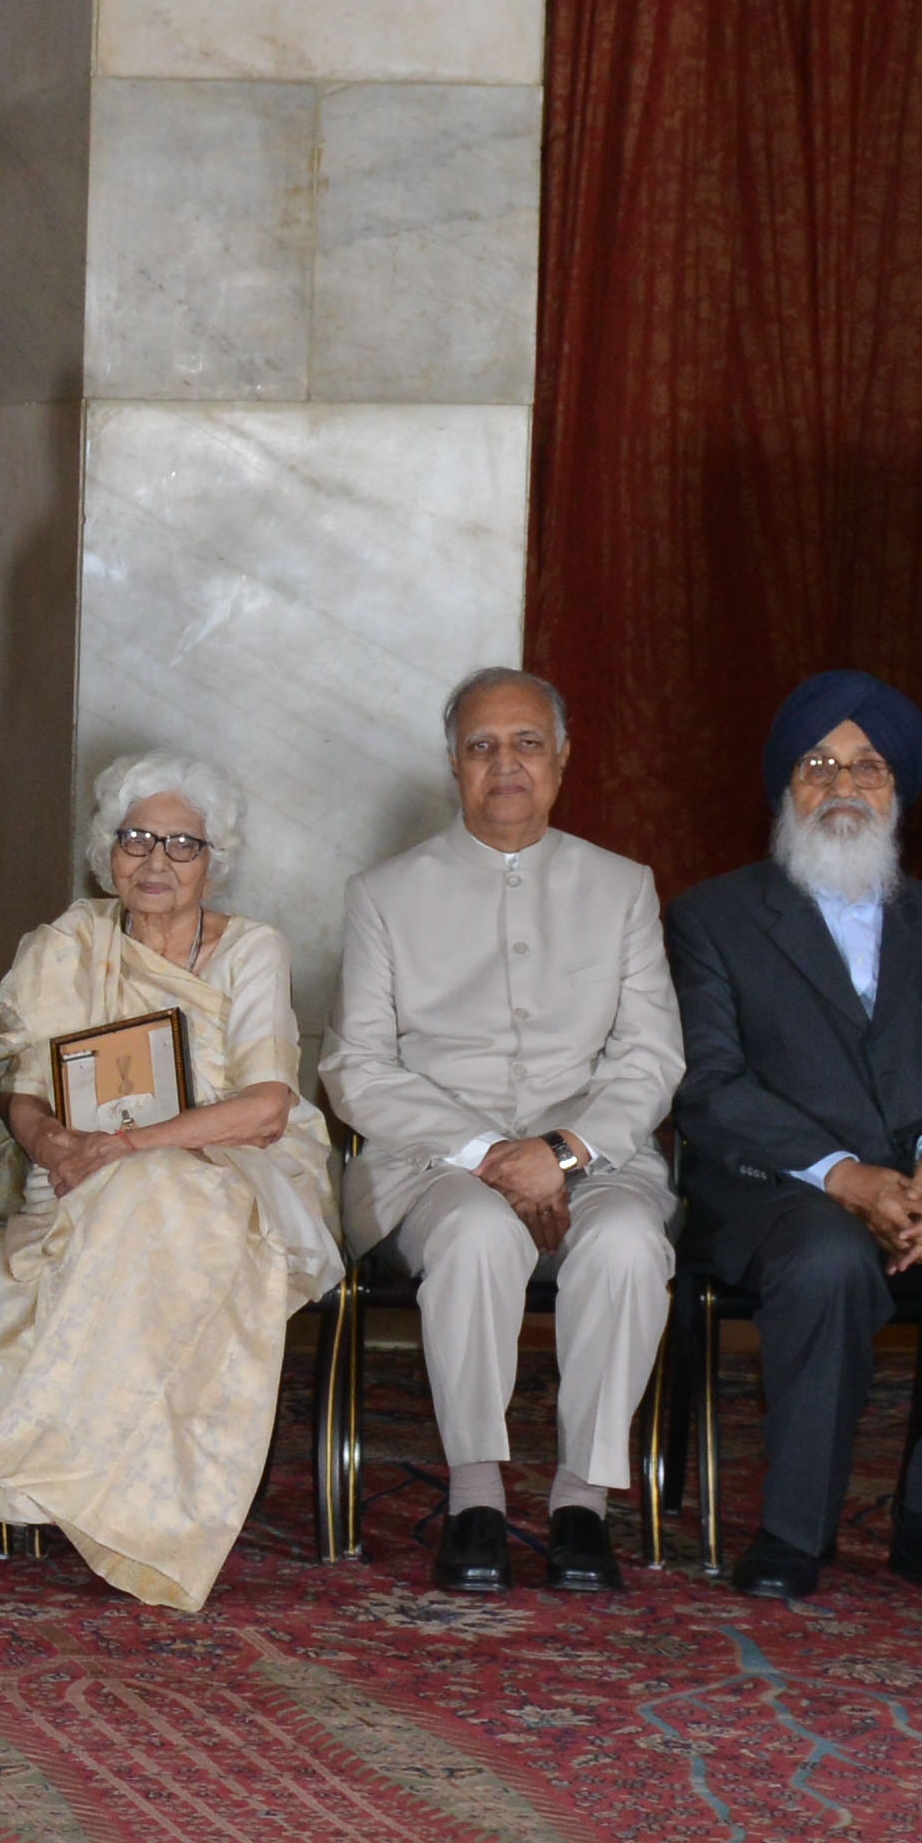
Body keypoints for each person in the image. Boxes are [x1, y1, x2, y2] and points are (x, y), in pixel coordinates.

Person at [662, 669, 922, 1607]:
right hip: (779, 1192)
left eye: (869, 767)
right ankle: (794, 1530)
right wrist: (848, 1177)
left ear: (899, 793)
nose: (843, 786)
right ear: (785, 787)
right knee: (826, 1261)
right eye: (819, 765)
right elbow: (709, 1085)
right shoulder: (713, 918)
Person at [0, 752, 333, 1612]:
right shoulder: (64, 945)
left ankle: (65, 1471)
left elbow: (264, 1106)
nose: (156, 862)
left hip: (234, 1167)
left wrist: (133, 1145)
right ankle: (94, 1488)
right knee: (109, 1209)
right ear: (104, 850)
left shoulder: (252, 948)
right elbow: (21, 1088)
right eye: (135, 838)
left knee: (154, 1196)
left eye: (182, 845)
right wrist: (54, 1146)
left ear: (215, 859)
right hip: (80, 1170)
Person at [319, 666, 682, 1591]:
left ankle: (581, 1503)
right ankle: (476, 1496)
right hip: (436, 1165)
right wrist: (490, 1155)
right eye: (482, 746)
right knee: (480, 1233)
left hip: (594, 1159)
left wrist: (562, 1153)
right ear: (453, 766)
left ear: (562, 760)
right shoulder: (385, 892)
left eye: (527, 744)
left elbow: (651, 1059)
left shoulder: (622, 886)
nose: (505, 764)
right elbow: (354, 1067)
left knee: (632, 1245)